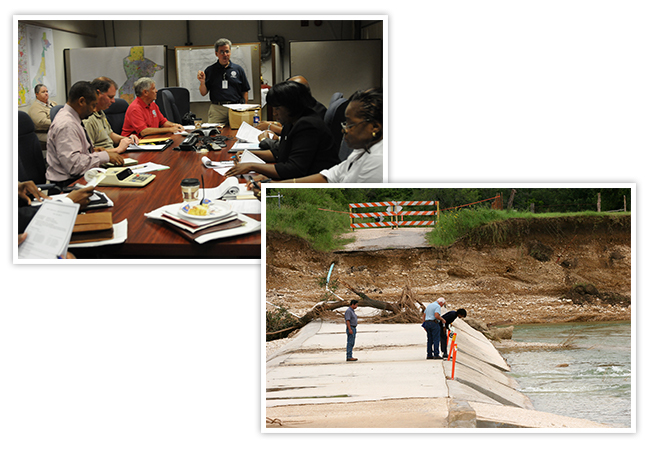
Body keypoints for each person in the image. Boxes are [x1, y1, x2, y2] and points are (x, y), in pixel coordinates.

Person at [225, 80, 339, 181]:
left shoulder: (308, 126)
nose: (274, 113)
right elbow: (279, 152)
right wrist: (250, 154)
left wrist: (251, 166)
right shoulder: (292, 121)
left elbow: (293, 169)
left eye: (277, 108)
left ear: (292, 106)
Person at [265, 88, 383, 184]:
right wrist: (274, 186)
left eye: (350, 124)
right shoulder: (362, 150)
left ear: (375, 127)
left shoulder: (378, 159)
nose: (344, 130)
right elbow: (330, 177)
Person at [46, 81, 124, 187]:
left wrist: (91, 152)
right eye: (92, 105)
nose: (93, 110)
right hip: (68, 185)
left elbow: (74, 154)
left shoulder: (73, 118)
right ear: (81, 101)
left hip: (80, 177)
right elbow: (74, 166)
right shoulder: (66, 124)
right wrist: (104, 156)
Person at [197, 38, 251, 125]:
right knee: (214, 134)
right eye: (222, 52)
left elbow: (245, 90)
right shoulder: (210, 70)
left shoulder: (238, 69)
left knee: (236, 132)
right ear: (216, 53)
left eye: (227, 51)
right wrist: (202, 82)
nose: (225, 54)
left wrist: (244, 107)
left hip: (235, 107)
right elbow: (203, 93)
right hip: (217, 109)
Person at [256, 75, 327, 139]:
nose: (274, 113)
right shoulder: (300, 114)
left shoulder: (310, 120)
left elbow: (294, 134)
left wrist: (270, 128)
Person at [84, 77, 139, 153]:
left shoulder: (100, 112)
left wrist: (126, 139)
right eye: (110, 97)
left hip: (112, 155)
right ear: (98, 94)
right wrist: (118, 149)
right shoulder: (88, 119)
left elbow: (109, 134)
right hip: (103, 161)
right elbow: (90, 153)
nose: (113, 101)